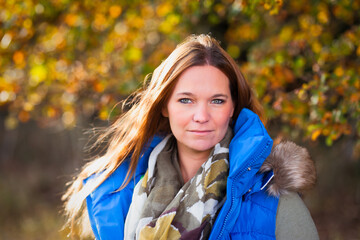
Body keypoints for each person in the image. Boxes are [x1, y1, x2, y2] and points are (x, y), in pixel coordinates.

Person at [63, 34, 319, 239]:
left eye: (217, 101)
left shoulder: (274, 200)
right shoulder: (115, 192)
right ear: (164, 105)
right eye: (186, 100)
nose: (201, 115)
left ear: (233, 109)